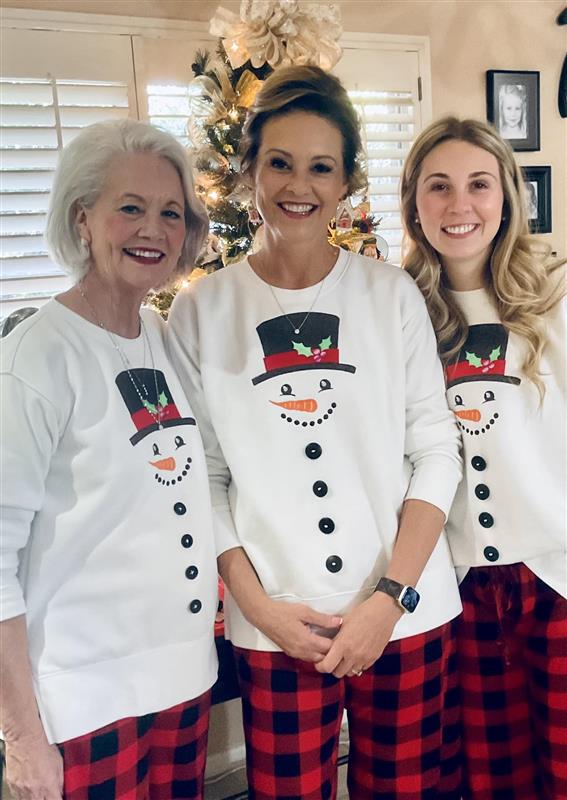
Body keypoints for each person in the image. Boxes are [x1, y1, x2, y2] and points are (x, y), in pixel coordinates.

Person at [168, 66, 463, 800]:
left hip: (404, 611)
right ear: (248, 171)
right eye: (279, 162)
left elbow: (435, 451)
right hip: (278, 621)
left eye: (321, 167)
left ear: (346, 182)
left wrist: (389, 597)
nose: (298, 186)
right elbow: (203, 476)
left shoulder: (390, 295)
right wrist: (258, 609)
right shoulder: (200, 311)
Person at [0, 119, 219, 800]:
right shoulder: (38, 355)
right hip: (85, 704)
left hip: (183, 684)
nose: (152, 229)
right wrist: (22, 737)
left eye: (171, 212)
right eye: (130, 207)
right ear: (83, 220)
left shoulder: (159, 334)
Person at [400, 116, 567, 800]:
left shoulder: (556, 294)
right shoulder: (399, 310)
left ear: (506, 196)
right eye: (438, 186)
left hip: (558, 576)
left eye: (478, 184)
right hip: (459, 585)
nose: (458, 204)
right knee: (492, 779)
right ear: (414, 203)